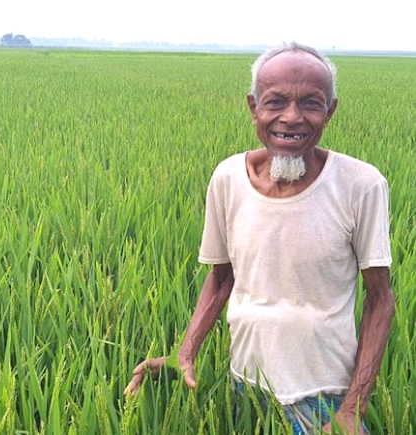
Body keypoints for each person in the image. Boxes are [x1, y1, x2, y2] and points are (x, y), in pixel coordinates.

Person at [123, 42, 395, 435]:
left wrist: (353, 408)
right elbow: (221, 278)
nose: (291, 117)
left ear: (330, 110)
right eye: (276, 102)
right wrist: (185, 352)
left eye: (311, 103)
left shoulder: (361, 185)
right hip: (246, 389)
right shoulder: (228, 178)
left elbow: (380, 298)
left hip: (325, 398)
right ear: (254, 107)